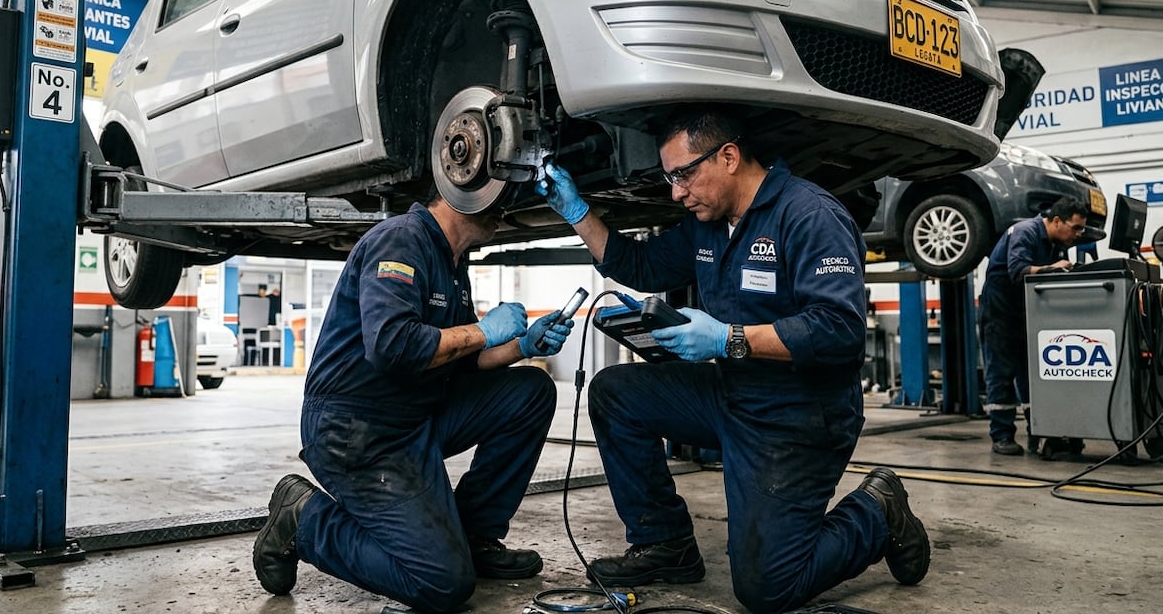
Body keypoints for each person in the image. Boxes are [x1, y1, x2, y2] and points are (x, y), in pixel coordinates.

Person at [535, 107, 930, 614]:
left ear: (728, 157)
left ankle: (878, 511)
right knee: (616, 393)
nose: (677, 192)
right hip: (733, 393)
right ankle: (666, 544)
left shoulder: (809, 215)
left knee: (767, 589)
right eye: (668, 178)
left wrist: (728, 339)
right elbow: (639, 264)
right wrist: (576, 211)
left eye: (683, 174)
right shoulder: (708, 223)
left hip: (799, 413)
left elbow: (840, 331)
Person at [252, 194, 573, 612]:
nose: (504, 207)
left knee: (529, 391)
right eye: (494, 196)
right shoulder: (401, 241)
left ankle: (474, 536)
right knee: (441, 583)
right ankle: (303, 518)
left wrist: (521, 346)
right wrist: (483, 330)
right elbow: (392, 345)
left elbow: (461, 358)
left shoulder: (453, 263)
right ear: (461, 191)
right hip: (357, 430)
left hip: (415, 417)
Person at [978, 196, 1089, 456]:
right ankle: (1002, 436)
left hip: (1027, 315)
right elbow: (1017, 271)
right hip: (1000, 313)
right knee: (1001, 373)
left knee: (1033, 376)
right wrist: (1053, 267)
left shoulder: (1057, 243)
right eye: (1076, 227)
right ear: (1057, 221)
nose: (1079, 234)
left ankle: (1038, 432)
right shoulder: (1025, 232)